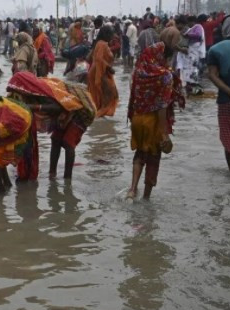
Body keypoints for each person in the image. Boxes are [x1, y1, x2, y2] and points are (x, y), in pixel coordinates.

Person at [6, 72, 96, 180]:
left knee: (68, 143)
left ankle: (67, 179)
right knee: (55, 140)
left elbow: (58, 107)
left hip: (81, 110)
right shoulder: (25, 93)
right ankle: (52, 174)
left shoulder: (43, 92)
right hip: (65, 114)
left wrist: (34, 107)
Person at [127, 42, 185, 200]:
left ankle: (132, 190)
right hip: (154, 122)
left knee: (139, 154)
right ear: (162, 57)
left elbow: (133, 98)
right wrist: (164, 134)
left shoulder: (139, 72)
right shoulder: (165, 76)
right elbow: (161, 107)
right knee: (153, 159)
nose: (169, 62)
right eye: (168, 59)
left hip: (137, 120)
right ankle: (146, 198)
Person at [206, 15, 230, 176]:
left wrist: (229, 91)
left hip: (226, 101)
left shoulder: (215, 49)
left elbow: (212, 75)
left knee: (229, 141)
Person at [87, 25, 119, 117]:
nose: (112, 36)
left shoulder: (99, 43)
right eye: (111, 34)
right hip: (100, 73)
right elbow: (98, 58)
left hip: (97, 71)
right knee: (112, 95)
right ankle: (99, 116)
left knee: (102, 98)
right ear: (106, 34)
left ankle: (99, 120)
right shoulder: (103, 44)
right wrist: (109, 67)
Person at [176, 15, 206, 95]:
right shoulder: (193, 28)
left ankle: (194, 86)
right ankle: (190, 86)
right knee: (190, 69)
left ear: (192, 22)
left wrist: (188, 35)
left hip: (195, 52)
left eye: (188, 23)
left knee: (193, 69)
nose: (188, 25)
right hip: (191, 53)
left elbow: (198, 35)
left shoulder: (198, 27)